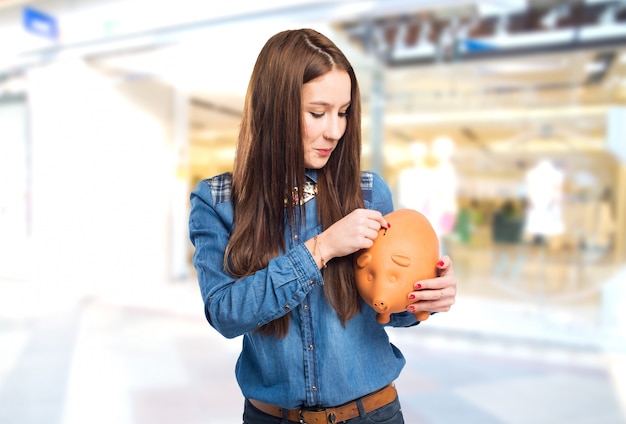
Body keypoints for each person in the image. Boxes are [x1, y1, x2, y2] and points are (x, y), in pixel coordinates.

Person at [189, 28, 457, 424]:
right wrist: (322, 249)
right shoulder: (218, 201)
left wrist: (423, 300)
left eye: (343, 112)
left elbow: (387, 310)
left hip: (373, 414)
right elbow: (225, 314)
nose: (334, 130)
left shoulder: (367, 191)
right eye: (317, 113)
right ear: (273, 109)